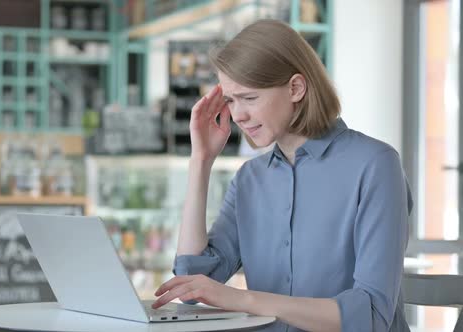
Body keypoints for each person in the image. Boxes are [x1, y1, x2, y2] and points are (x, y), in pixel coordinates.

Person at [151, 19, 412, 332]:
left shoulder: (375, 165)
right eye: (231, 100)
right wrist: (201, 160)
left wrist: (243, 299)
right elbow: (192, 284)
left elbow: (370, 316)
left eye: (250, 98)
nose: (238, 115)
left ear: (296, 88)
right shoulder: (249, 179)